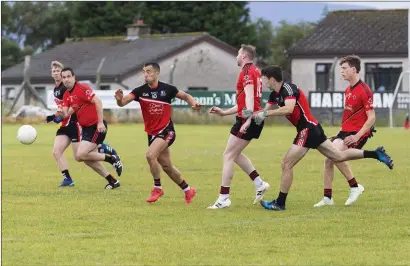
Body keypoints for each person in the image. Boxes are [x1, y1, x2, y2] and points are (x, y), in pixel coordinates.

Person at [250, 65, 393, 211]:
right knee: (338, 157)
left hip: (307, 129)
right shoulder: (275, 93)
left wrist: (266, 115)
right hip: (313, 129)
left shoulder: (288, 89)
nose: (264, 82)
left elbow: (289, 108)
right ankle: (376, 154)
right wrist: (253, 114)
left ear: (272, 79)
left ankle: (280, 203)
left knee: (286, 164)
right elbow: (264, 110)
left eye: (265, 80)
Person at [114, 62, 201, 204]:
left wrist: (193, 103)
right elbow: (123, 103)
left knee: (150, 155)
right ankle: (188, 190)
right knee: (167, 166)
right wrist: (119, 100)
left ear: (156, 73)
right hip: (152, 134)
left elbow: (185, 96)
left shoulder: (168, 89)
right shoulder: (139, 91)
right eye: (144, 72)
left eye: (148, 71)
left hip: (167, 131)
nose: (145, 74)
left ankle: (157, 188)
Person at [207, 44, 270, 209]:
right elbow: (244, 102)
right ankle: (259, 183)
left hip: (248, 119)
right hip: (250, 117)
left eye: (237, 53)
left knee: (228, 155)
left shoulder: (247, 72)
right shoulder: (255, 71)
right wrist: (224, 112)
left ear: (243, 56)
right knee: (233, 154)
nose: (236, 56)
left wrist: (248, 120)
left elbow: (249, 98)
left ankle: (224, 197)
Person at [314, 55, 377, 207]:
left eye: (344, 68)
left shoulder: (364, 90)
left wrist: (357, 136)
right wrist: (338, 133)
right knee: (328, 158)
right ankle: (328, 198)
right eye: (341, 68)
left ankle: (355, 187)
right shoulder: (348, 89)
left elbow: (372, 117)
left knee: (335, 156)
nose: (341, 71)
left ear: (354, 70)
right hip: (345, 132)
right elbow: (348, 118)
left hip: (357, 134)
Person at [46, 61, 119, 187]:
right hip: (66, 125)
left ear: (73, 77)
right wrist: (55, 116)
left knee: (81, 156)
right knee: (59, 152)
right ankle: (68, 179)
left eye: (60, 72)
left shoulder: (76, 88)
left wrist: (100, 122)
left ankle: (104, 151)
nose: (58, 74)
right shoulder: (60, 91)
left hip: (77, 125)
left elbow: (94, 103)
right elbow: (65, 111)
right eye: (54, 72)